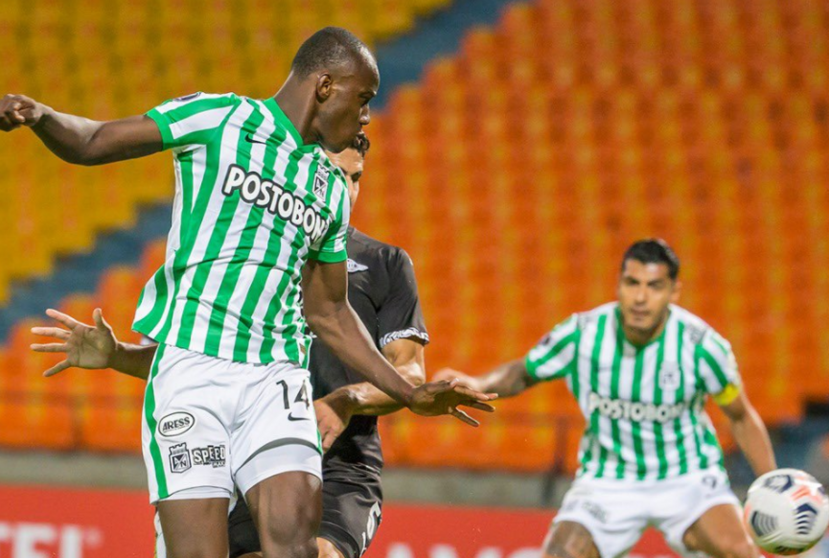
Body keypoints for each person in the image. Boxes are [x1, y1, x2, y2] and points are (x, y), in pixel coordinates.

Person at [3, 26, 495, 558]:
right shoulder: (221, 119)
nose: (367, 116)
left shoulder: (329, 188)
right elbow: (94, 140)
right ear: (325, 86)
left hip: (274, 381)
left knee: (298, 550)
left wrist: (410, 392)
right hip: (192, 374)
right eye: (364, 98)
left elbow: (329, 310)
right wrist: (42, 116)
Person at [32, 133, 427, 558]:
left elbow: (410, 374)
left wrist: (344, 400)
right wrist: (117, 356)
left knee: (318, 554)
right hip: (246, 456)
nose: (346, 191)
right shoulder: (252, 256)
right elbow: (201, 360)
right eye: (334, 175)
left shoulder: (386, 264)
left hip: (341, 467)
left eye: (355, 178)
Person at [436, 239, 776, 558]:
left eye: (654, 286)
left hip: (686, 476)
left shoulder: (703, 346)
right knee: (560, 552)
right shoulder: (583, 333)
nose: (640, 298)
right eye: (632, 283)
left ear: (674, 291)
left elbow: (741, 416)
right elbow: (523, 372)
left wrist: (772, 487)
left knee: (740, 552)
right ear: (619, 285)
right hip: (608, 479)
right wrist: (474, 382)